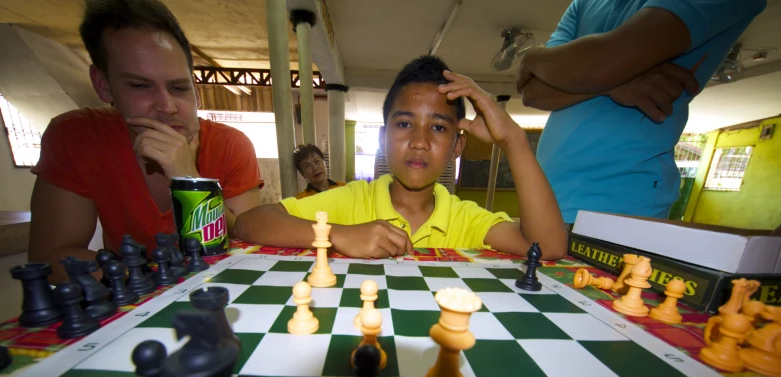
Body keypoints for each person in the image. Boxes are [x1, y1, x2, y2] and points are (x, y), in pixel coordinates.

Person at [235, 56, 568, 260]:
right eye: (405, 124)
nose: (419, 142)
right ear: (382, 139)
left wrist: (514, 141)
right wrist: (337, 234)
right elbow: (249, 222)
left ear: (456, 148)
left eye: (438, 127)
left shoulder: (464, 217)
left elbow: (549, 247)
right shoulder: (350, 201)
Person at [28, 0, 263, 283]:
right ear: (103, 84)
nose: (167, 106)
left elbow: (245, 243)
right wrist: (153, 276)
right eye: (140, 86)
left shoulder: (231, 144)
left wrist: (187, 179)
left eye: (179, 88)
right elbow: (49, 257)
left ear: (195, 87)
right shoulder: (74, 136)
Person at [517, 0, 767, 224]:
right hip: (548, 201)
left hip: (621, 208)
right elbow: (533, 92)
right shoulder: (584, 3)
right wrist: (619, 83)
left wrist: (533, 58)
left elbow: (603, 66)